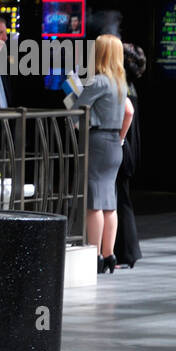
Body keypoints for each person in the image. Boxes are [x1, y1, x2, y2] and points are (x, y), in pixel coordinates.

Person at [66, 33, 134, 274]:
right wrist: (122, 137)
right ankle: (109, 254)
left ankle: (93, 254)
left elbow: (76, 110)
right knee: (109, 202)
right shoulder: (120, 82)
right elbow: (129, 111)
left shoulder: (98, 81)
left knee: (94, 202)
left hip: (96, 141)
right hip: (114, 142)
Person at [114, 43, 145, 268]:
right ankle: (128, 251)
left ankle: (125, 251)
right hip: (130, 145)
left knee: (117, 199)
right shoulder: (131, 84)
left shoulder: (120, 85)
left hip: (120, 144)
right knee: (122, 197)